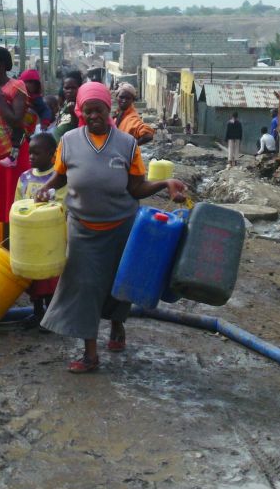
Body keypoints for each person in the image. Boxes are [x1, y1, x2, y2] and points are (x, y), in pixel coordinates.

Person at [37, 82, 187, 373]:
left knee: (120, 285)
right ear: (80, 111)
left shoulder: (127, 144)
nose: (94, 116)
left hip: (121, 227)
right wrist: (45, 187)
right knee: (84, 288)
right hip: (82, 230)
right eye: (88, 111)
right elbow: (59, 177)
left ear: (109, 110)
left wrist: (165, 183)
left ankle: (117, 325)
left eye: (99, 111)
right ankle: (90, 355)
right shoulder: (68, 141)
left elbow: (136, 187)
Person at [0, 46, 31, 236]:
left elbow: (16, 119)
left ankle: (14, 243)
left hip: (13, 152)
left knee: (13, 201)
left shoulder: (17, 87)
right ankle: (4, 243)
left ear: (1, 65)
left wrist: (0, 98)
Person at [15, 132, 63, 325]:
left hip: (50, 239)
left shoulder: (58, 178)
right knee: (33, 281)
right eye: (30, 153)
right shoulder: (25, 177)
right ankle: (37, 313)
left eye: (37, 153)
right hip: (29, 238)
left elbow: (62, 206)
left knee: (49, 280)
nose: (32, 157)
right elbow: (17, 204)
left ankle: (51, 316)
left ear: (52, 154)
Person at [51, 70, 84, 141]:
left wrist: (73, 113)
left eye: (73, 88)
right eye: (67, 88)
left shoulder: (82, 106)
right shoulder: (65, 104)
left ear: (80, 87)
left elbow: (81, 128)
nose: (69, 91)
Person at [19, 69, 52, 135]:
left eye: (35, 83)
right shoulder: (16, 94)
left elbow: (45, 109)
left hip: (30, 129)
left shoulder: (36, 98)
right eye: (29, 82)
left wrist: (45, 122)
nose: (32, 85)